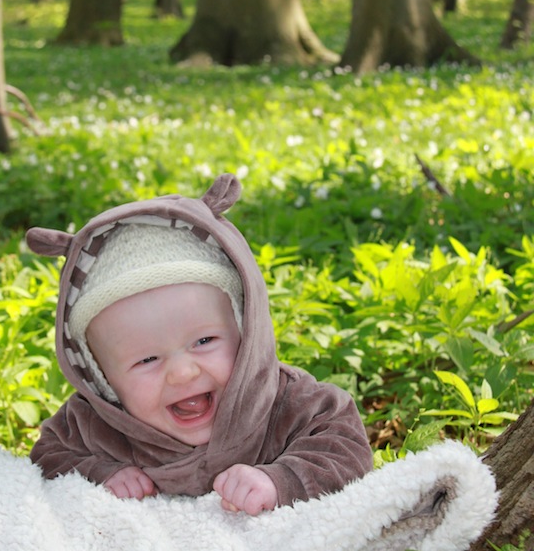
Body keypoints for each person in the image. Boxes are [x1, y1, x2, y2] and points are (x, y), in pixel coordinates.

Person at [25, 174, 373, 515]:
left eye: (204, 341)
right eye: (146, 360)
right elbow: (50, 456)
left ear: (244, 332)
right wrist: (101, 474)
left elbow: (345, 447)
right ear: (102, 380)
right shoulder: (95, 424)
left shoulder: (290, 405)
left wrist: (280, 481)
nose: (182, 372)